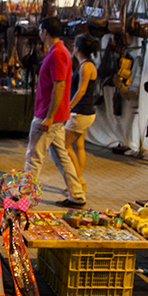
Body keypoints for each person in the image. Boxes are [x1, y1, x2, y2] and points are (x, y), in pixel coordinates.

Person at [23, 17, 86, 207]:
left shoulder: (58, 54)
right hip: (55, 116)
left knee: (34, 156)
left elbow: (60, 86)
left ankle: (25, 198)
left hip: (48, 115)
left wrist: (49, 116)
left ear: (45, 31)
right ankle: (77, 194)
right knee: (60, 157)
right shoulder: (60, 52)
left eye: (40, 30)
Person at [65, 34, 100, 193]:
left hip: (81, 112)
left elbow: (82, 90)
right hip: (86, 112)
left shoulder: (86, 66)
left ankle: (77, 180)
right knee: (79, 146)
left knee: (65, 146)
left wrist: (69, 106)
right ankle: (80, 181)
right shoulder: (88, 65)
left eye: (74, 46)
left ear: (78, 48)